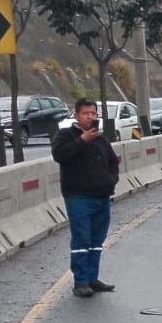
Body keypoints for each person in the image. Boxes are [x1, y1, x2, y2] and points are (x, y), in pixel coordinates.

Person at [51, 99, 120, 299]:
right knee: (82, 238)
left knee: (97, 240)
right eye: (86, 113)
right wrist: (82, 141)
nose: (90, 117)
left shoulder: (100, 138)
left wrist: (111, 180)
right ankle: (80, 281)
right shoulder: (65, 135)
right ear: (77, 115)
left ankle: (92, 278)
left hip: (102, 196)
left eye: (93, 113)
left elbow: (112, 161)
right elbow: (59, 155)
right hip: (78, 196)